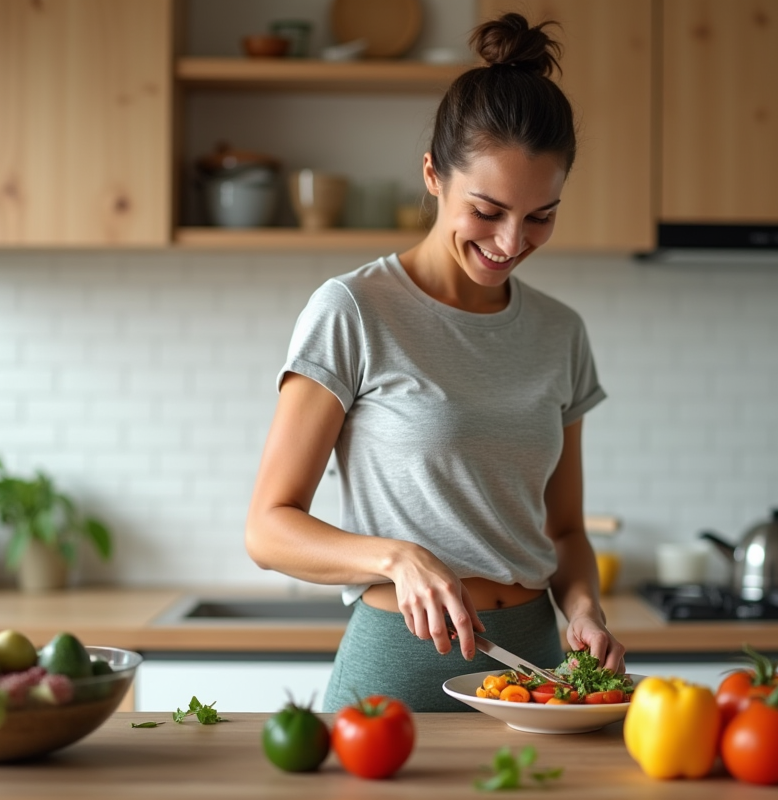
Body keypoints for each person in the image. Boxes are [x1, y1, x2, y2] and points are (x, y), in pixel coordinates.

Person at [244, 12, 626, 712]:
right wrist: (396, 556)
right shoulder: (353, 311)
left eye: (541, 215)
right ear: (432, 177)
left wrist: (582, 610)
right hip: (397, 666)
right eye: (488, 209)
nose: (512, 240)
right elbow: (268, 526)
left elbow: (565, 529)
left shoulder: (559, 333)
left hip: (534, 672)